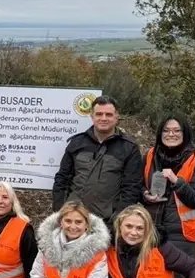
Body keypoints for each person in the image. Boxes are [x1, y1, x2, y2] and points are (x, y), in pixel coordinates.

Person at [51, 96, 143, 226]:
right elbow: (62, 179)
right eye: (99, 114)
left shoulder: (129, 148)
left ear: (117, 117)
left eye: (108, 114)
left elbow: (131, 188)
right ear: (92, 116)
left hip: (107, 223)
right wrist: (61, 211)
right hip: (73, 221)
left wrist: (117, 219)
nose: (103, 118)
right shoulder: (77, 143)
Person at [141, 114, 195, 256]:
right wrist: (145, 194)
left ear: (185, 133)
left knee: (180, 271)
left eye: (177, 130)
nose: (171, 134)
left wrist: (177, 182)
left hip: (182, 234)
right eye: (166, 130)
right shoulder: (150, 155)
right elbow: (137, 186)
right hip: (150, 230)